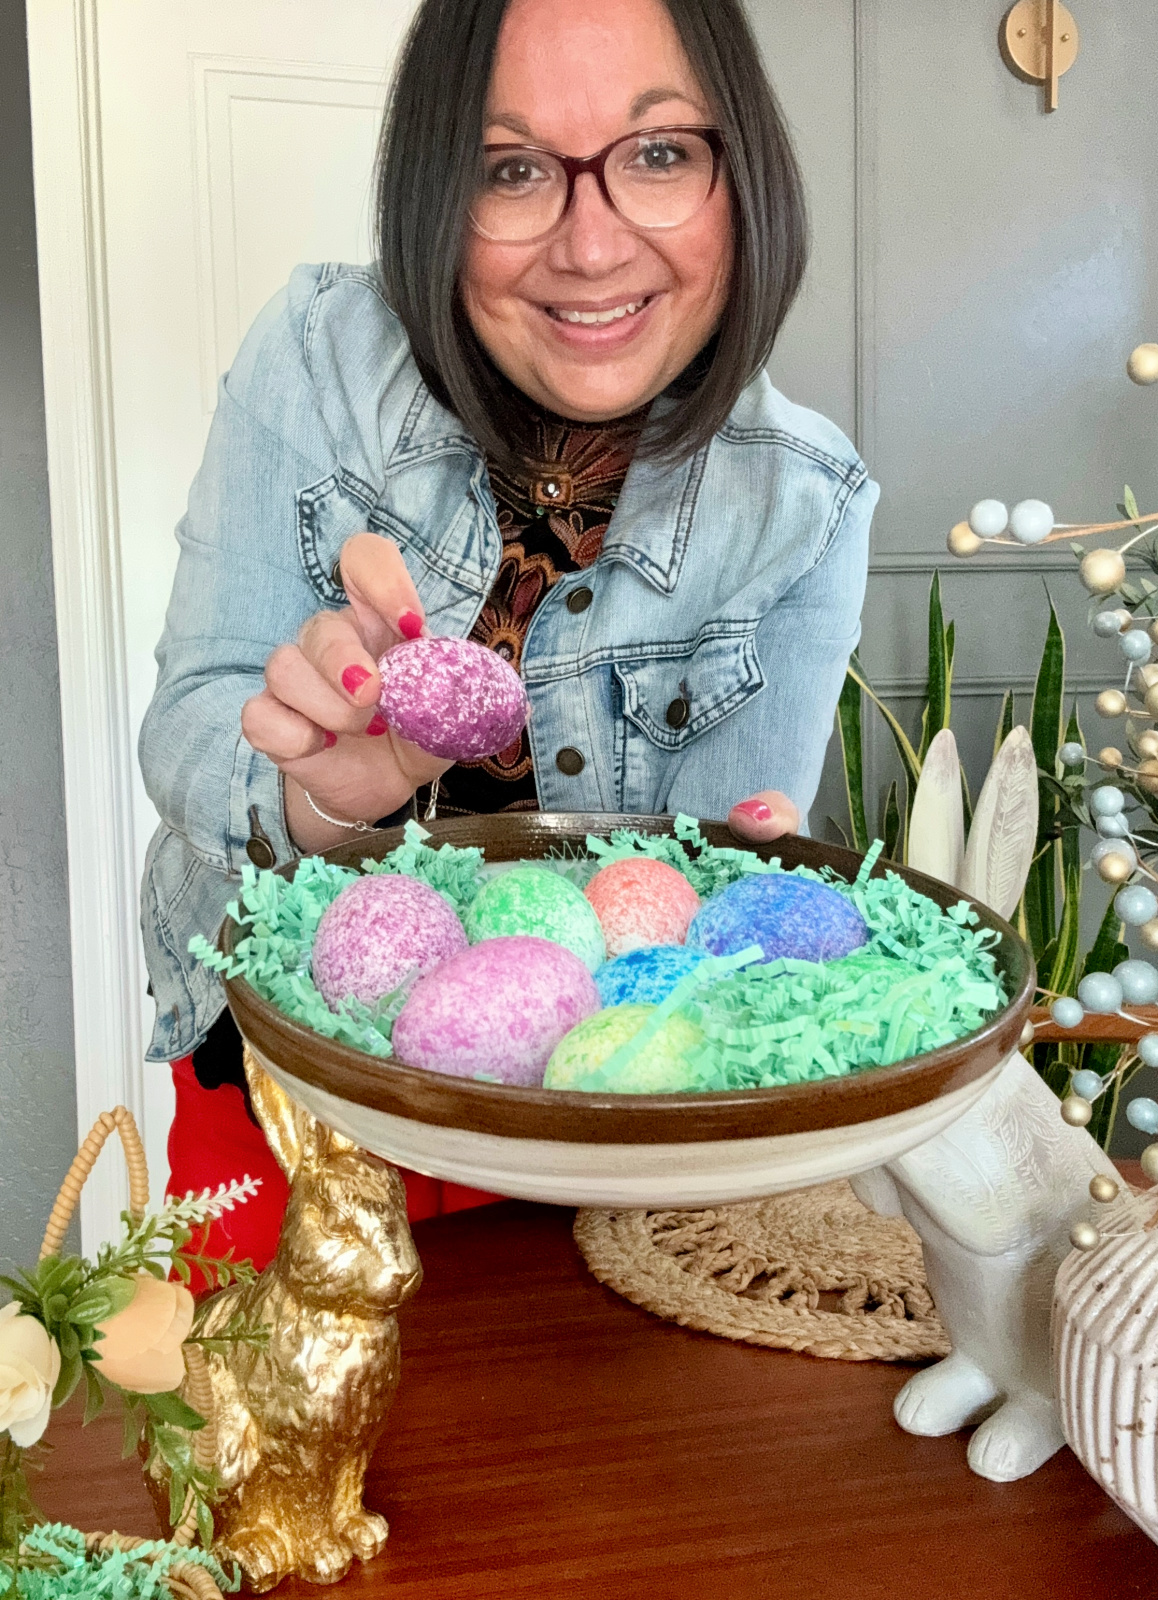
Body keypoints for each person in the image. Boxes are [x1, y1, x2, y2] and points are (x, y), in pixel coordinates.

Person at [139, 0, 878, 1267]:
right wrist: (323, 802)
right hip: (294, 1104)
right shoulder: (319, 358)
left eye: (659, 154)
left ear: (741, 171)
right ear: (438, 189)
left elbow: (694, 907)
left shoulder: (804, 504)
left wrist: (738, 896)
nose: (590, 247)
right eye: (514, 168)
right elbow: (191, 721)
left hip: (611, 1134)